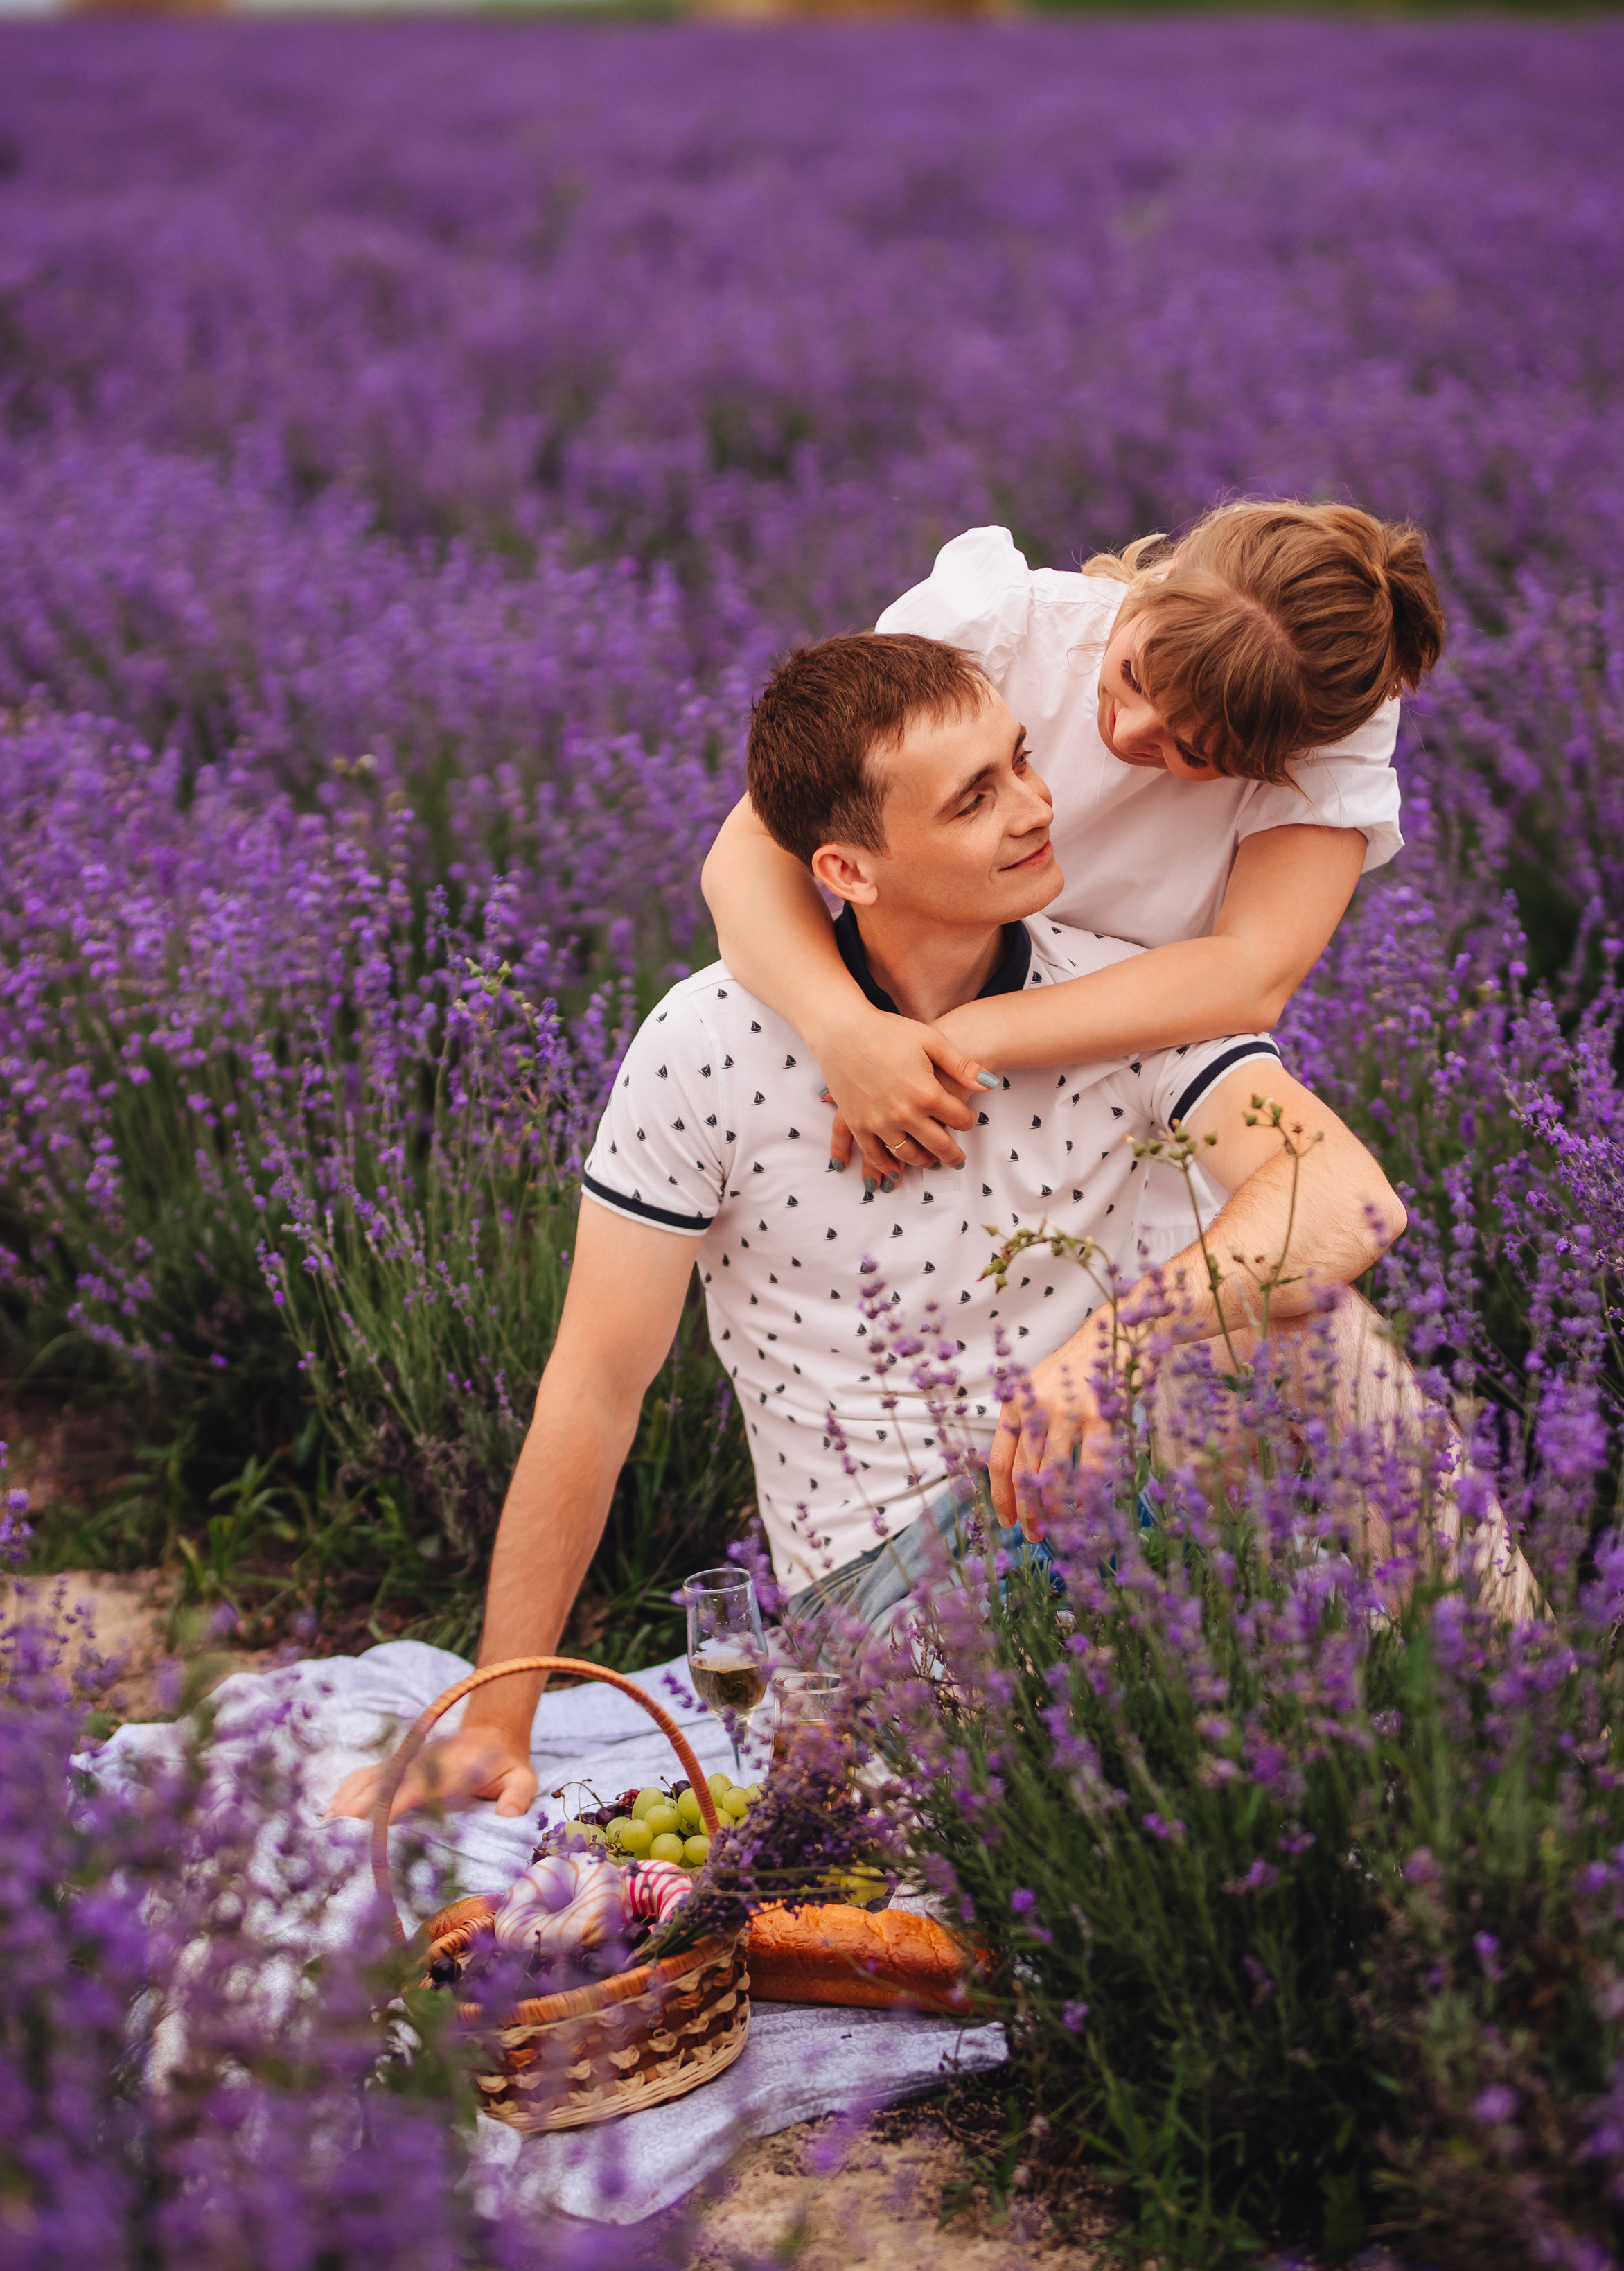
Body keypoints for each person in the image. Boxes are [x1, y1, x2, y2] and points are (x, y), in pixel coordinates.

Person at [332, 629, 1423, 1826]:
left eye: (1019, 762)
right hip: (889, 1577)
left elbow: (1349, 1196)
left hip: (1107, 1489)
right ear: (848, 871)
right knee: (1116, 1788)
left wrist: (1110, 1348)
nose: (1037, 807)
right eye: (976, 799)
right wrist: (498, 1717)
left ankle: (1507, 1697)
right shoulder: (707, 1046)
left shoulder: (1115, 991)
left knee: (1321, 1334)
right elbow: (596, 1383)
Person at [700, 501, 1435, 1183]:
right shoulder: (1007, 626)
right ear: (1161, 582)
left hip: (1125, 1105)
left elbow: (1249, 974)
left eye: (1195, 752)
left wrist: (963, 1036)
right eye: (1134, 676)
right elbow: (760, 843)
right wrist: (848, 1032)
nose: (1130, 732)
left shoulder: (1321, 739)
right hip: (883, 1037)